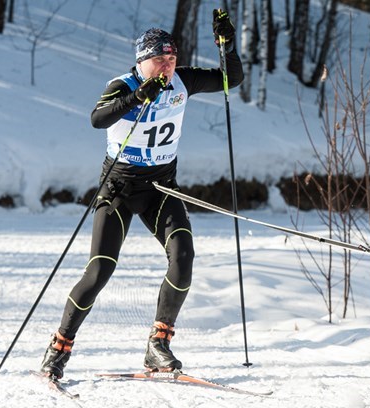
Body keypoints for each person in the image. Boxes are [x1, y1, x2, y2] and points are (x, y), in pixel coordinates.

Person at [40, 10, 243, 379]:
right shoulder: (121, 85)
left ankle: (158, 344)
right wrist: (136, 97)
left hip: (160, 188)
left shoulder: (183, 81)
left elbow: (232, 80)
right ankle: (59, 346)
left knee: (183, 256)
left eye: (171, 57)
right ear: (141, 61)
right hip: (118, 189)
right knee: (101, 268)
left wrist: (226, 46)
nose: (167, 65)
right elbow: (97, 119)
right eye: (159, 59)